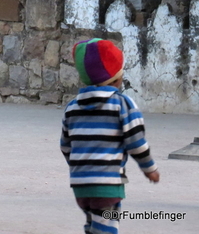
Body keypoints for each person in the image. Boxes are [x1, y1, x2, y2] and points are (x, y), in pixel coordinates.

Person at [60, 38, 160, 234]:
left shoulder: (72, 107)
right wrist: (150, 169)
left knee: (94, 225)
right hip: (107, 185)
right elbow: (136, 142)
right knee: (106, 227)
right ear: (117, 78)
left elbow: (66, 145)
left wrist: (82, 166)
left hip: (80, 185)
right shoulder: (122, 104)